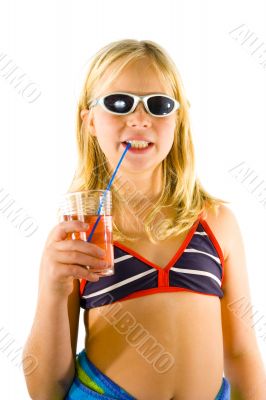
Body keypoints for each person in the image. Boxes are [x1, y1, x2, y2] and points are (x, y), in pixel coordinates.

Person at [22, 39, 266, 400]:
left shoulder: (216, 223)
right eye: (118, 104)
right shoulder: (81, 235)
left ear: (177, 119)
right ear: (89, 121)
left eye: (158, 105)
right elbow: (46, 390)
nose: (139, 118)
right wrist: (52, 286)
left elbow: (242, 353)